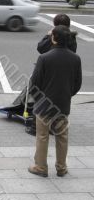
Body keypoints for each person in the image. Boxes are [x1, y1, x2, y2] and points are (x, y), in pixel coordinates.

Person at [28, 25, 82, 178]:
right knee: (62, 136)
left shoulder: (45, 58)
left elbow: (35, 83)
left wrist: (39, 99)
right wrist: (67, 95)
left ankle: (40, 167)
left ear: (54, 38)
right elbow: (77, 84)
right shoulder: (75, 58)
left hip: (44, 104)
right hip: (63, 104)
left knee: (42, 136)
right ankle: (61, 167)